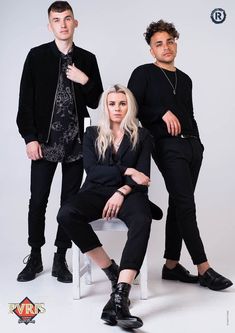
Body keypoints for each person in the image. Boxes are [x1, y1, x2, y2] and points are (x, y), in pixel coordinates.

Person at [128, 20, 233, 291]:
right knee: (187, 205)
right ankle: (204, 269)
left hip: (191, 147)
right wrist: (161, 113)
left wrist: (198, 143)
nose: (166, 47)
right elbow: (131, 107)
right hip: (166, 145)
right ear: (151, 50)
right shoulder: (143, 73)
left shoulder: (185, 78)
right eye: (159, 44)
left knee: (179, 202)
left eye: (170, 41)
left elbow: (190, 114)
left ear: (176, 43)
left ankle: (171, 265)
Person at [57, 84, 162, 329]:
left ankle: (120, 295)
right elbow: (92, 171)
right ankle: (111, 270)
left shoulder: (143, 135)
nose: (117, 108)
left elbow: (142, 177)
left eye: (122, 103)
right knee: (66, 213)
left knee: (142, 219)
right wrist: (127, 170)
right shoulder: (93, 133)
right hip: (94, 191)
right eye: (112, 103)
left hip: (130, 193)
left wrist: (121, 190)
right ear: (105, 106)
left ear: (130, 106)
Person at [16, 1, 103, 283]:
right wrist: (30, 138)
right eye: (57, 20)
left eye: (67, 19)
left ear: (75, 23)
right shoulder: (37, 56)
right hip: (44, 143)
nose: (63, 24)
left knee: (69, 205)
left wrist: (83, 79)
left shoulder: (87, 59)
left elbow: (95, 100)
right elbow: (25, 103)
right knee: (38, 200)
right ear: (50, 25)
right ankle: (35, 255)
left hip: (77, 145)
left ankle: (60, 257)